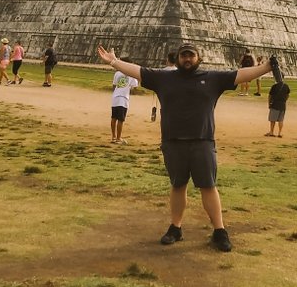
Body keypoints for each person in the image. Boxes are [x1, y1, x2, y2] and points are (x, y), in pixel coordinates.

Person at [98, 42, 273, 252]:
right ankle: (176, 227)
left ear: (199, 58)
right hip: (173, 142)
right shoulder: (164, 78)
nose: (187, 59)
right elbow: (137, 70)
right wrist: (114, 62)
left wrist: (266, 68)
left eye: (191, 56)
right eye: (184, 56)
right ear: (179, 58)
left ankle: (219, 230)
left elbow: (242, 75)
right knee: (178, 185)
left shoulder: (212, 78)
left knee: (208, 186)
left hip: (202, 141)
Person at [110, 58, 138, 144]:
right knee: (120, 119)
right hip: (123, 98)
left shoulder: (117, 73)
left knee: (114, 118)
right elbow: (135, 87)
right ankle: (118, 138)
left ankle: (114, 137)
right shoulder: (131, 75)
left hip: (115, 97)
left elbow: (114, 86)